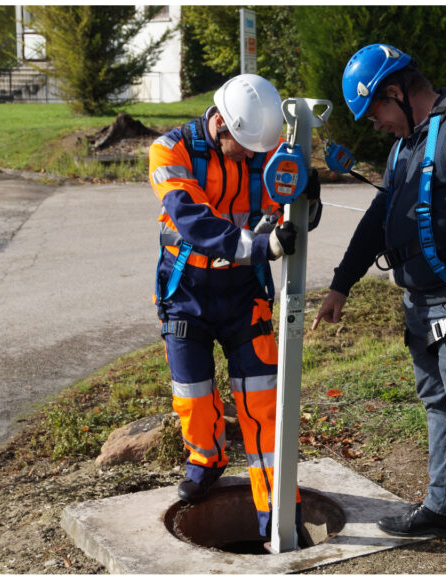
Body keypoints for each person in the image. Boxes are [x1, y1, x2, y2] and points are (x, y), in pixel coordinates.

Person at [312, 44, 446, 573]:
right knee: (438, 405)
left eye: (375, 114)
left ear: (395, 92)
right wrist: (342, 284)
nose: (376, 125)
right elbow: (379, 216)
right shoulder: (405, 146)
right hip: (419, 303)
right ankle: (441, 508)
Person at [148, 73, 320, 542]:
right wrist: (262, 246)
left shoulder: (264, 149)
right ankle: (206, 460)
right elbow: (192, 220)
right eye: (243, 148)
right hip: (186, 291)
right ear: (220, 122)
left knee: (262, 400)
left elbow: (291, 207)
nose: (249, 157)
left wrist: (307, 198)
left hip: (244, 292)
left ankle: (277, 512)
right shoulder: (170, 151)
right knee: (192, 392)